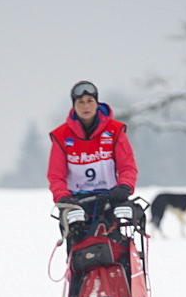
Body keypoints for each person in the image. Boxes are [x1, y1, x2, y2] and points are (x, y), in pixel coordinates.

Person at [47, 81, 138, 237]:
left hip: (110, 198)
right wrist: (63, 197)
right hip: (77, 202)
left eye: (90, 101)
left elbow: (127, 167)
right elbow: (56, 175)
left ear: (97, 103)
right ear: (74, 106)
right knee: (81, 254)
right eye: (80, 102)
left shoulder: (115, 130)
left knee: (115, 249)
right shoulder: (61, 136)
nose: (86, 106)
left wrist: (124, 186)